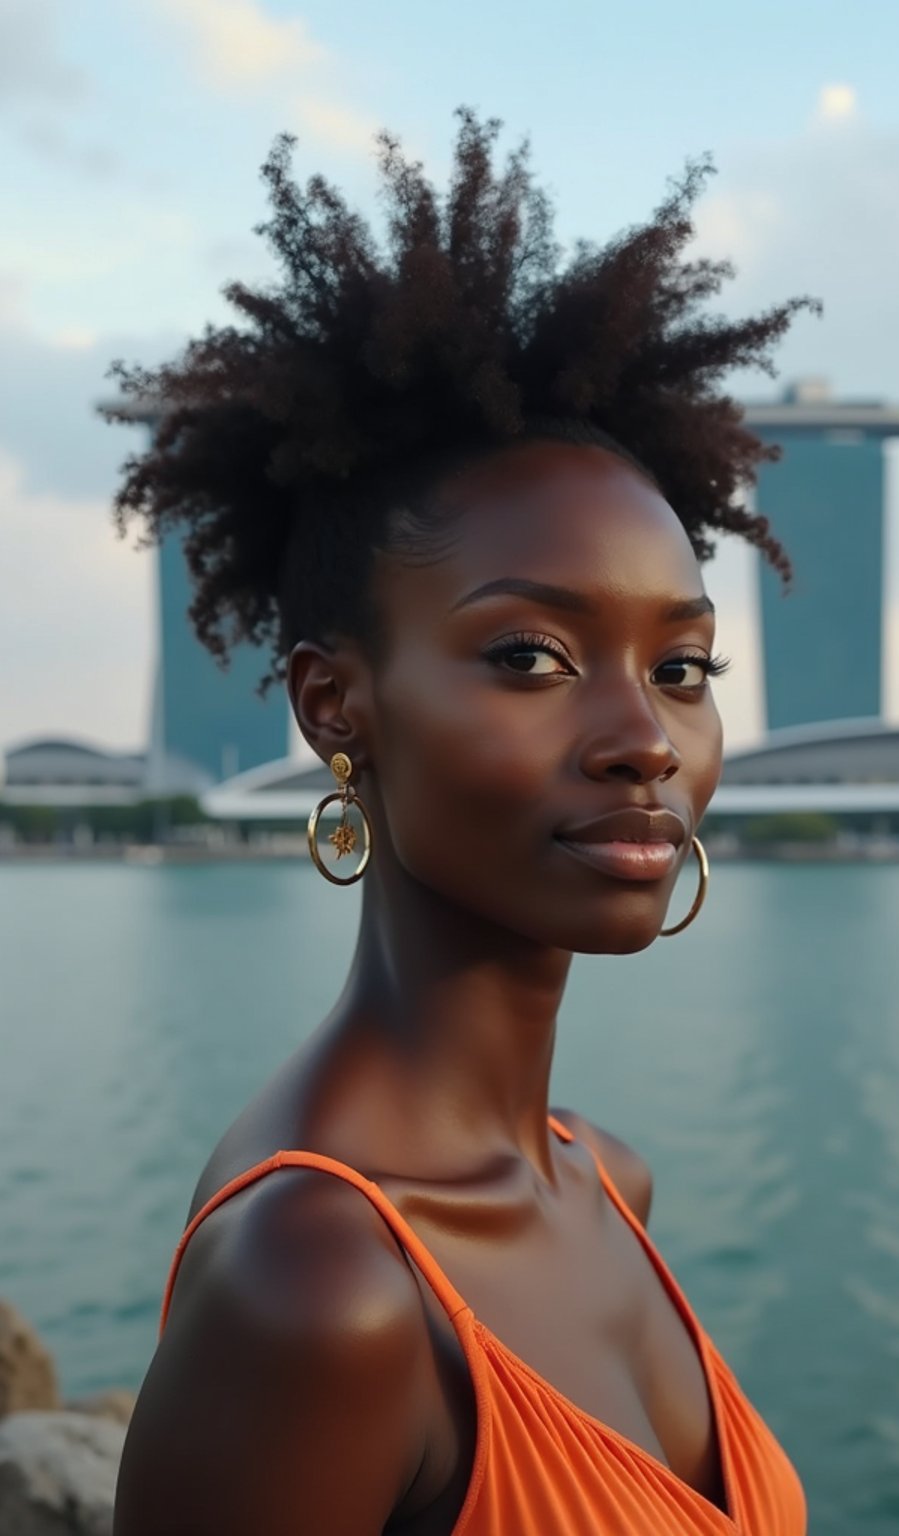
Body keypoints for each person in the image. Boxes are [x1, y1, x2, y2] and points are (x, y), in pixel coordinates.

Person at [107, 110, 817, 1536]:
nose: (642, 744)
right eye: (531, 660)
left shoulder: (607, 1177)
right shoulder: (322, 1290)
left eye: (681, 671)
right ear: (336, 706)